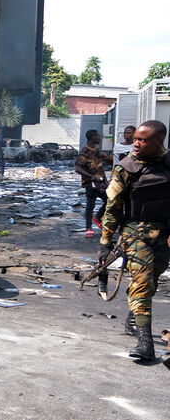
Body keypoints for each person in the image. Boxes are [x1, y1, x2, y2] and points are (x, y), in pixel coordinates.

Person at [99, 120, 170, 361]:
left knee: (151, 279)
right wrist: (105, 243)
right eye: (135, 139)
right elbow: (112, 207)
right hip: (135, 234)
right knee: (142, 282)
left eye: (142, 140)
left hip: (163, 234)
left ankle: (134, 314)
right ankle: (145, 342)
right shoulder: (126, 167)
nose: (136, 143)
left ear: (159, 141)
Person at [76, 129, 111, 237]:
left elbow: (97, 162)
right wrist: (91, 177)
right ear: (92, 138)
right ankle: (88, 228)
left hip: (101, 182)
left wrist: (104, 158)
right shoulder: (84, 151)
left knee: (109, 201)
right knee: (90, 205)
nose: (100, 138)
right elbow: (78, 169)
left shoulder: (96, 149)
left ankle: (97, 217)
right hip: (91, 183)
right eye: (98, 136)